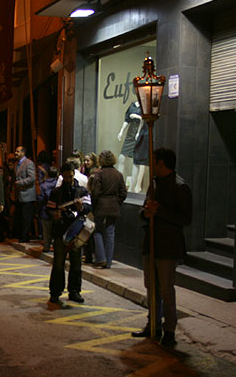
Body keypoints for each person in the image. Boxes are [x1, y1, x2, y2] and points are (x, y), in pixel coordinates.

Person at [131, 148, 192, 347]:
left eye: (153, 161)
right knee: (151, 288)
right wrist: (145, 213)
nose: (151, 165)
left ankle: (170, 330)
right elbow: (145, 208)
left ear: (162, 163)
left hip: (168, 246)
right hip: (151, 244)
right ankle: (153, 325)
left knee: (166, 289)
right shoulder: (153, 184)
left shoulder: (181, 187)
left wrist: (160, 211)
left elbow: (185, 219)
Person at [47, 163, 91, 305]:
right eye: (65, 177)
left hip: (76, 230)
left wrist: (81, 207)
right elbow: (49, 209)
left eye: (70, 176)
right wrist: (55, 214)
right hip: (60, 231)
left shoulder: (82, 191)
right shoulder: (56, 192)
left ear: (74, 174)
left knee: (76, 262)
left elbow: (88, 207)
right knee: (58, 263)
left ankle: (74, 291)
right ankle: (55, 293)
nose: (68, 179)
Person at [89, 150, 127, 269]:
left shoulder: (99, 174)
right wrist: (117, 201)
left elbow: (95, 192)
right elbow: (123, 193)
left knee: (98, 231)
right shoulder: (118, 174)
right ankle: (109, 261)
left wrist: (93, 205)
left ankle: (101, 258)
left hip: (100, 205)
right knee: (110, 233)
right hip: (113, 206)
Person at [14, 146, 36, 242]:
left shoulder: (29, 163)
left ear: (23, 153)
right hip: (19, 195)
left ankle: (25, 236)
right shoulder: (16, 164)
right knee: (21, 216)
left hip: (27, 194)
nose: (16, 153)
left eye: (18, 151)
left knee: (26, 217)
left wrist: (20, 183)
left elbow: (32, 178)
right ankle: (22, 235)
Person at [37, 166, 58, 253]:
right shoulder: (58, 184)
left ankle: (46, 247)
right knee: (56, 230)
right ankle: (56, 246)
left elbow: (40, 199)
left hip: (45, 210)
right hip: (56, 210)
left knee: (46, 231)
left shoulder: (43, 185)